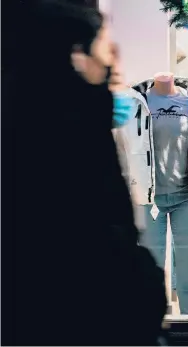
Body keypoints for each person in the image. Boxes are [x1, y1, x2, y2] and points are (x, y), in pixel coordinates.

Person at [5, 1, 167, 345]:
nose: (113, 61)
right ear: (75, 56)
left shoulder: (49, 120)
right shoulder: (69, 136)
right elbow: (105, 265)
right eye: (105, 47)